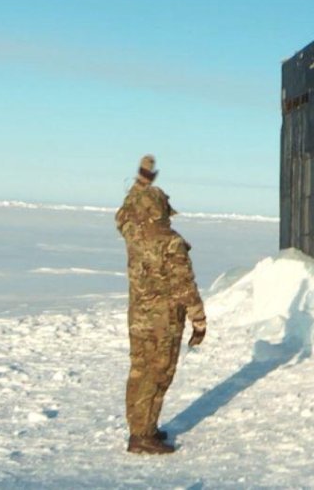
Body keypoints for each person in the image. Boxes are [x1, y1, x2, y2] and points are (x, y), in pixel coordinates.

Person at [114, 155, 206, 455]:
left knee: (140, 369)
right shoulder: (170, 241)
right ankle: (143, 436)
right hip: (163, 320)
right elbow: (184, 284)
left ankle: (141, 428)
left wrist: (141, 182)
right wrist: (198, 319)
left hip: (138, 316)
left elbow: (125, 212)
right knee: (159, 372)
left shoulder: (133, 233)